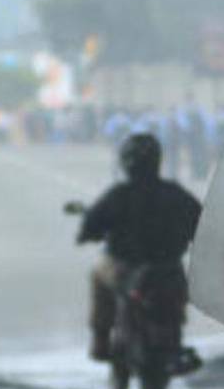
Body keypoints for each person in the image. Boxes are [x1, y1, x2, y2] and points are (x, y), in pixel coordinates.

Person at [76, 133, 202, 363]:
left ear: (126, 163)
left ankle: (100, 338)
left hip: (124, 269)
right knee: (177, 292)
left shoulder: (118, 195)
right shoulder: (175, 193)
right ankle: (175, 343)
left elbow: (90, 226)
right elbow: (201, 225)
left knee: (97, 276)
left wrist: (87, 233)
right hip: (168, 269)